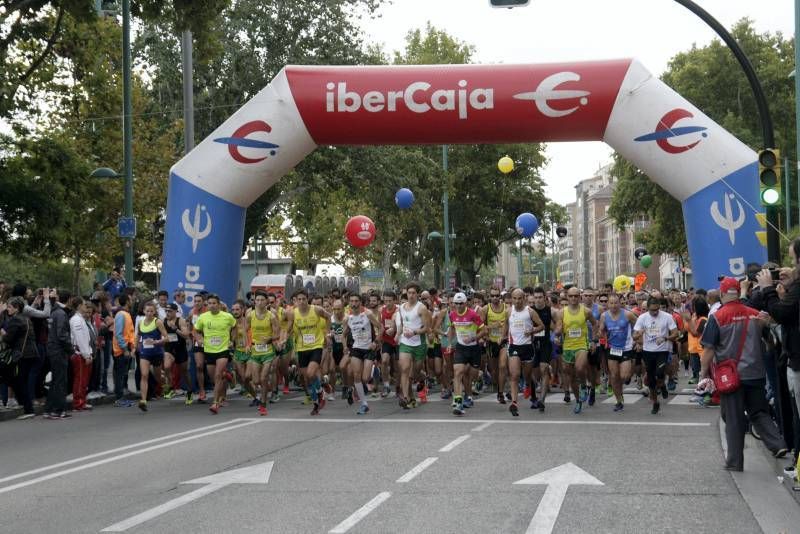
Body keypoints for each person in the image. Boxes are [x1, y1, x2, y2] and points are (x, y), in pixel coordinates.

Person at [701, 277, 788, 471]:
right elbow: (771, 343)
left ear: (723, 295)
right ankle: (778, 444)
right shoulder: (755, 314)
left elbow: (708, 349)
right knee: (759, 411)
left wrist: (702, 374)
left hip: (730, 377)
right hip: (755, 373)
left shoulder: (717, 317)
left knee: (732, 417)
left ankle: (735, 461)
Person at [633, 296, 679, 415]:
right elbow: (634, 336)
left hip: (662, 351)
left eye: (657, 309)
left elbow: (675, 333)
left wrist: (665, 338)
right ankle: (655, 402)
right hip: (648, 352)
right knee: (651, 380)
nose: (655, 312)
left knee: (659, 373)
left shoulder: (667, 317)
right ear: (647, 308)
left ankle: (662, 384)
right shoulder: (642, 318)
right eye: (652, 310)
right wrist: (639, 334)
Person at [193, 294, 236, 414]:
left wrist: (232, 340)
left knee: (217, 376)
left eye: (214, 303)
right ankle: (227, 375)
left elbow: (235, 327)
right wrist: (199, 339)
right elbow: (195, 331)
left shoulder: (227, 316)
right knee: (214, 378)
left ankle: (215, 403)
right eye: (210, 303)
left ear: (219, 304)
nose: (212, 305)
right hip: (209, 350)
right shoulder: (203, 317)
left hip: (223, 350)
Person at [505, 288, 545, 416]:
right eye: (514, 298)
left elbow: (541, 326)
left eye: (519, 298)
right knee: (515, 375)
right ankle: (514, 403)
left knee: (527, 376)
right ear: (512, 299)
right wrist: (502, 336)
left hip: (528, 347)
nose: (517, 301)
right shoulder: (509, 311)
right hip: (514, 346)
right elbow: (506, 326)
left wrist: (532, 331)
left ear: (524, 299)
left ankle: (529, 386)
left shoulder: (530, 311)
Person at [292, 289, 332, 415]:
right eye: (299, 299)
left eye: (304, 299)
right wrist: (282, 339)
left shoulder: (316, 310)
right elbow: (287, 328)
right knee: (308, 378)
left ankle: (320, 393)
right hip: (302, 348)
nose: (302, 301)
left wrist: (327, 333)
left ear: (307, 299)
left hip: (316, 346)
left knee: (310, 373)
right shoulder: (293, 313)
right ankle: (316, 403)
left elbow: (329, 317)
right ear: (296, 301)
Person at [343, 293, 382, 415]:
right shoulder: (347, 318)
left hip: (369, 348)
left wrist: (375, 342)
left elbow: (381, 328)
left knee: (365, 378)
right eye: (352, 301)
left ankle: (375, 370)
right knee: (357, 376)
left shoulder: (367, 314)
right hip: (356, 348)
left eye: (356, 301)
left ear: (360, 302)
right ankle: (364, 404)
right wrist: (344, 346)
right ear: (349, 303)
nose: (354, 304)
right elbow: (343, 335)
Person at [448, 292, 487, 416]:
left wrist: (473, 338)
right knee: (458, 372)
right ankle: (458, 402)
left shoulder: (472, 314)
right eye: (456, 303)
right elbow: (452, 328)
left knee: (471, 376)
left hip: (474, 348)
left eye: (461, 303)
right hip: (461, 348)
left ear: (466, 303)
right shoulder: (452, 315)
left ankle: (471, 391)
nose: (458, 306)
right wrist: (450, 342)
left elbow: (484, 330)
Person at [1, 297, 39, 419]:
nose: (7, 309)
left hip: (21, 355)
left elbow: (8, 339)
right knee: (18, 381)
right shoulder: (26, 319)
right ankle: (26, 406)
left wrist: (2, 331)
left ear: (16, 308)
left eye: (9, 307)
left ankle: (28, 409)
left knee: (17, 381)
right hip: (31, 354)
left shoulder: (15, 320)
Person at [598, 294, 637, 412]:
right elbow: (601, 329)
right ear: (608, 304)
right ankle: (619, 400)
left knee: (624, 376)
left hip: (626, 348)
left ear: (620, 303)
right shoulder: (604, 316)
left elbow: (638, 324)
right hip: (612, 348)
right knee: (614, 376)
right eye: (611, 303)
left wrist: (636, 337)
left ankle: (622, 387)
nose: (614, 305)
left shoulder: (627, 314)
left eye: (616, 303)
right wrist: (601, 334)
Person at [397, 282, 431, 409]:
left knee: (415, 372)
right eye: (409, 292)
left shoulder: (421, 308)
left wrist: (415, 332)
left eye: (413, 293)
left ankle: (422, 378)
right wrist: (398, 335)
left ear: (417, 294)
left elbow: (427, 328)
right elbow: (401, 324)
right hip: (405, 343)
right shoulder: (401, 307)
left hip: (419, 343)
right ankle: (406, 398)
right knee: (405, 369)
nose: (410, 295)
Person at [45, 291, 74, 418]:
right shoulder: (61, 314)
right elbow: (62, 335)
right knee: (60, 380)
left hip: (53, 349)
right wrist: (71, 349)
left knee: (55, 380)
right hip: (59, 351)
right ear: (68, 300)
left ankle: (49, 409)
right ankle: (58, 410)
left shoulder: (54, 311)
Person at [163, 303, 192, 403]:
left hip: (180, 348)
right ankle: (171, 387)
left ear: (176, 312)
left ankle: (190, 391)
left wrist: (176, 329)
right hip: (169, 348)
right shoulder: (164, 321)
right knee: (166, 367)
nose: (167, 313)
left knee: (184, 372)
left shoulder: (181, 321)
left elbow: (186, 335)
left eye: (170, 311)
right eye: (166, 311)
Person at [69, 297, 94, 411]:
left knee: (84, 379)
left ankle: (82, 400)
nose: (86, 307)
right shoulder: (76, 320)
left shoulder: (80, 319)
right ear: (79, 306)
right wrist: (86, 354)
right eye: (84, 305)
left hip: (83, 352)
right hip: (80, 353)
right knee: (80, 380)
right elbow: (80, 339)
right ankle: (78, 402)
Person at [112, 294, 136, 407]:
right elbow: (119, 334)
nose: (132, 301)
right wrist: (125, 349)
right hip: (121, 350)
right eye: (130, 299)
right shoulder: (121, 314)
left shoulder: (125, 314)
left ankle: (121, 398)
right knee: (120, 375)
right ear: (127, 301)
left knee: (122, 375)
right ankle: (119, 398)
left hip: (125, 349)